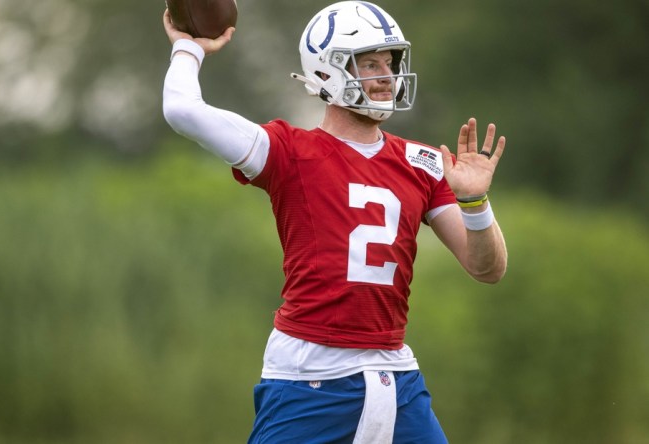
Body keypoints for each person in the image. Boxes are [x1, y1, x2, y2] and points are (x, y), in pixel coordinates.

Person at [162, 1, 507, 442]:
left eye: (390, 61)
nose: (386, 75)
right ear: (329, 71)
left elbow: (487, 269)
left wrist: (475, 201)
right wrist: (188, 49)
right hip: (310, 374)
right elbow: (182, 111)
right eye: (369, 63)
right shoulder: (288, 151)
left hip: (395, 373)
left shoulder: (423, 162)